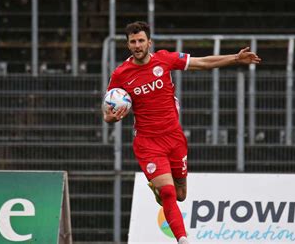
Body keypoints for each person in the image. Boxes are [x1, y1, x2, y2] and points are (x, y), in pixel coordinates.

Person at [102, 21, 261, 244]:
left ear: (149, 42)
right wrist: (110, 117)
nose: (137, 45)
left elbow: (203, 63)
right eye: (132, 42)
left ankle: (161, 188)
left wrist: (235, 58)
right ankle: (182, 239)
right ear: (128, 45)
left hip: (174, 138)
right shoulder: (121, 74)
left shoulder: (164, 60)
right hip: (148, 142)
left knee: (180, 194)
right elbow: (107, 110)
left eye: (141, 40)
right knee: (168, 193)